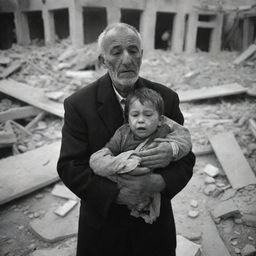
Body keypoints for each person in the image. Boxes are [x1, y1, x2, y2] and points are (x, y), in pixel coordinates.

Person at [57, 22, 195, 256]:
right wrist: (118, 194)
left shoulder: (166, 99)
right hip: (103, 229)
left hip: (153, 230)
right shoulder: (78, 104)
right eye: (116, 52)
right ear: (103, 61)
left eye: (133, 51)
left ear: (142, 56)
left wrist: (158, 182)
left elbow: (186, 160)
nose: (127, 59)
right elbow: (70, 166)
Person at [89, 87, 192, 224]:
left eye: (148, 115)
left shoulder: (164, 129)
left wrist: (172, 149)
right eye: (135, 115)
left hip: (152, 188)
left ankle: (145, 208)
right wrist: (122, 163)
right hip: (120, 188)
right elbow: (102, 155)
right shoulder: (122, 134)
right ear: (127, 119)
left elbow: (184, 137)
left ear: (160, 119)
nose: (141, 120)